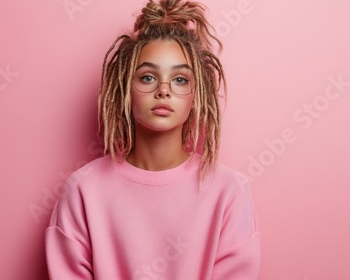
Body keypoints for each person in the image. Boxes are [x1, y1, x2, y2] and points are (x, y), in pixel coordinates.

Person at [45, 0, 261, 279]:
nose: (163, 90)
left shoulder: (230, 191)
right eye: (148, 77)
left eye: (180, 80)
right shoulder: (83, 189)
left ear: (198, 94)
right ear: (124, 87)